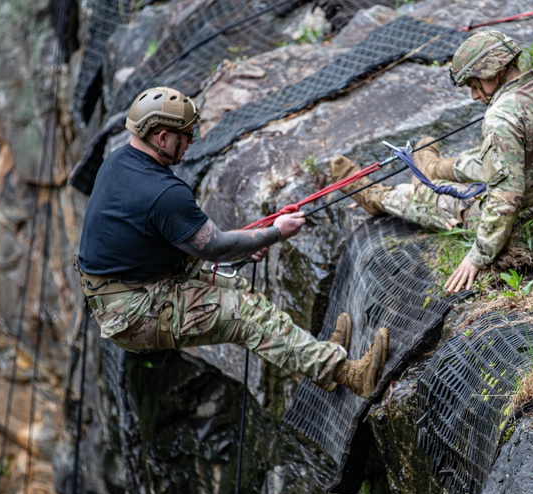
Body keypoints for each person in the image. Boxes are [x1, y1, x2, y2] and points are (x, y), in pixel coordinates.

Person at [76, 86, 388, 397]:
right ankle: (348, 374)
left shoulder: (119, 161)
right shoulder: (163, 193)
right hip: (133, 311)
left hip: (134, 284)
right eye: (185, 135)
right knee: (243, 314)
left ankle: (319, 361)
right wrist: (275, 232)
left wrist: (244, 243)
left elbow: (174, 238)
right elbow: (216, 247)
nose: (191, 143)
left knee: (237, 290)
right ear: (161, 137)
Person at [330, 30, 533, 293]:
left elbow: (505, 199)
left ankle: (374, 196)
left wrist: (478, 255)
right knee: (482, 162)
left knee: (432, 199)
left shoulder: (500, 117)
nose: (475, 96)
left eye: (475, 85)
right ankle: (432, 166)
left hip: (521, 236)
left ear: (494, 73)